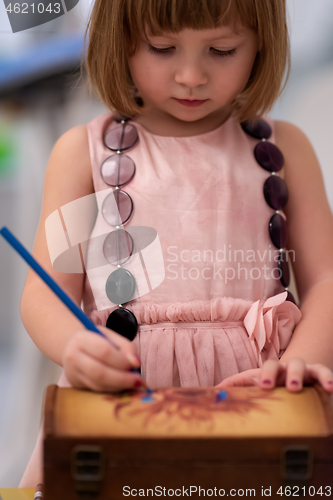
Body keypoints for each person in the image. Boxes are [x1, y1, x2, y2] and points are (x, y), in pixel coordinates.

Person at [19, 0, 333, 488]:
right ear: (120, 39)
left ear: (261, 45)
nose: (191, 75)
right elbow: (45, 291)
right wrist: (75, 345)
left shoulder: (284, 153)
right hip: (123, 403)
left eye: (222, 49)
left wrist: (301, 360)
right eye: (162, 48)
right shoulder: (84, 158)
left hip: (257, 408)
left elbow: (327, 282)